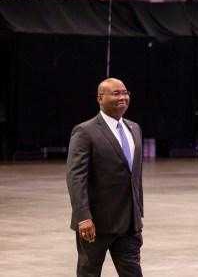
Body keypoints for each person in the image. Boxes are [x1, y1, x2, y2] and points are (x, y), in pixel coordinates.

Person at [66, 78, 144, 277]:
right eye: (116, 93)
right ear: (100, 98)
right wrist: (83, 217)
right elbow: (76, 177)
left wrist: (138, 212)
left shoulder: (134, 129)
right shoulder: (85, 131)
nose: (123, 98)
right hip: (95, 224)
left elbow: (134, 176)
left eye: (125, 93)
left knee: (133, 273)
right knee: (89, 272)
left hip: (129, 224)